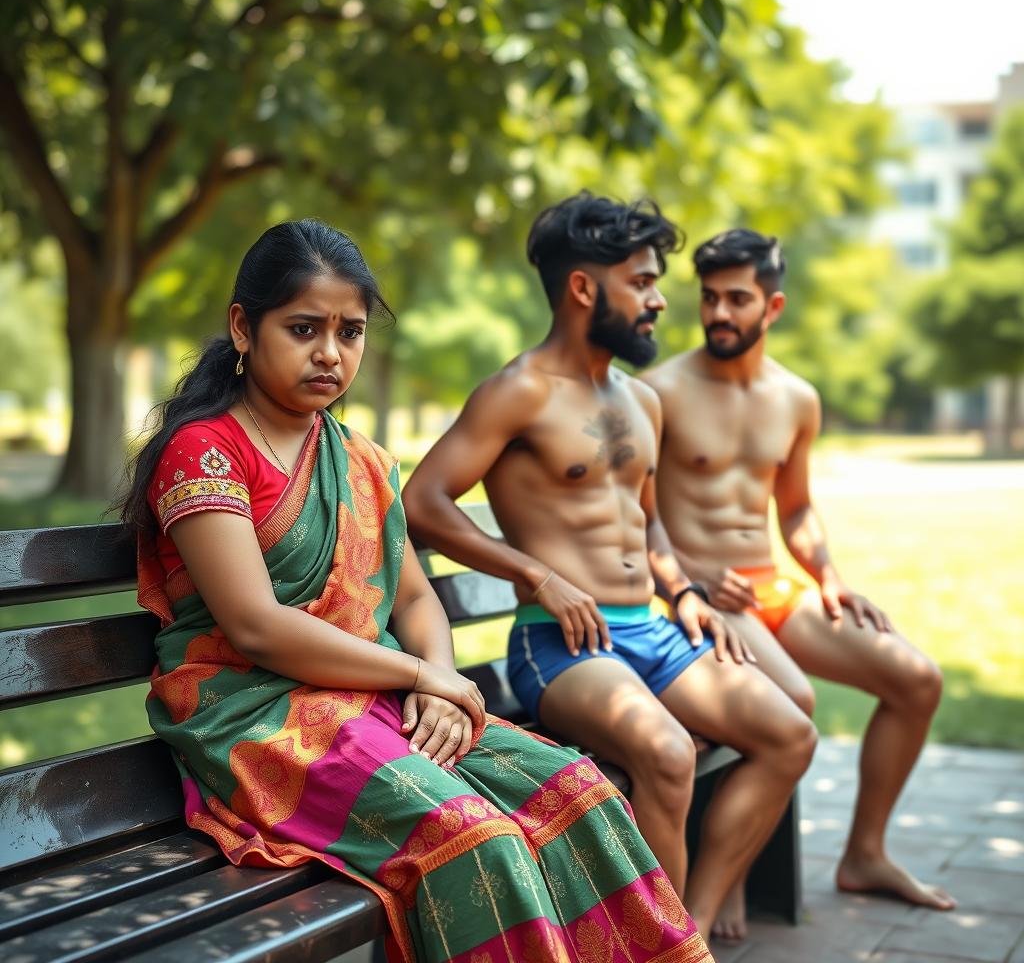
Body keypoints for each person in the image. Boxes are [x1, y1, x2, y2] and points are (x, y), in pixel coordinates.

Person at [117, 219, 711, 963]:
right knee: (477, 842)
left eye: (351, 332)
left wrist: (441, 684)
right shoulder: (205, 450)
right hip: (253, 713)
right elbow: (256, 626)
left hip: (376, 697)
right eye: (303, 328)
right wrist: (419, 674)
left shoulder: (361, 459)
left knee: (579, 794)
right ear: (243, 327)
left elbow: (417, 601)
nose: (330, 353)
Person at [403, 193, 817, 942]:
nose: (660, 300)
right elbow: (422, 501)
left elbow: (647, 517)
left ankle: (682, 931)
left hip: (651, 631)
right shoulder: (520, 390)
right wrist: (537, 575)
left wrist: (682, 587)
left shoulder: (640, 399)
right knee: (664, 752)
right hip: (561, 648)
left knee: (790, 732)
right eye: (643, 281)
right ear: (585, 288)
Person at [642, 227, 956, 940]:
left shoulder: (797, 399)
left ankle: (865, 855)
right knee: (793, 701)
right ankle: (733, 877)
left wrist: (830, 577)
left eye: (738, 299)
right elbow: (637, 515)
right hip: (706, 598)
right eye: (710, 298)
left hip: (774, 586)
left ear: (773, 306)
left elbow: (796, 508)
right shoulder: (659, 392)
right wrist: (686, 577)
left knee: (917, 680)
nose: (719, 313)